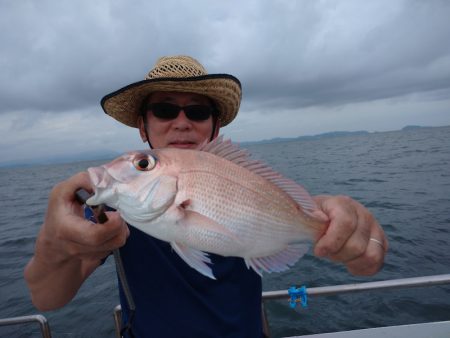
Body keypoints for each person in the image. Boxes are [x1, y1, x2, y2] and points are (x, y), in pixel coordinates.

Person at [24, 55, 388, 337]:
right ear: (142, 126)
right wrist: (54, 245)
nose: (182, 122)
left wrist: (353, 234)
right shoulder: (111, 209)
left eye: (197, 111)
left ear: (215, 124)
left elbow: (361, 261)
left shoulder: (249, 182)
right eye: (164, 109)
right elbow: (47, 298)